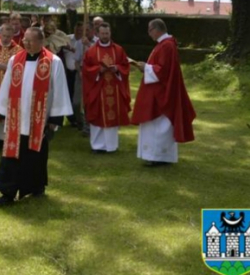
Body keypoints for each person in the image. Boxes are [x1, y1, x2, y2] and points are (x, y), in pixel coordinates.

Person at [0, 27, 73, 205]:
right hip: (17, 118)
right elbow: (7, 86)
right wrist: (3, 111)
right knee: (11, 155)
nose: (25, 43)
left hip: (39, 119)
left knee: (36, 156)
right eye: (24, 40)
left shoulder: (53, 61)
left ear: (41, 42)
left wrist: (54, 120)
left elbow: (59, 91)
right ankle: (7, 192)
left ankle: (36, 187)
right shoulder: (15, 60)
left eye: (30, 40)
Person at [131, 19, 196, 166]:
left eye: (149, 30)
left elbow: (163, 71)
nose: (149, 34)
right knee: (157, 126)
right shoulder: (164, 45)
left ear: (156, 29)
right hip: (160, 89)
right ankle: (159, 156)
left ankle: (157, 157)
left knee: (157, 124)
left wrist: (145, 67)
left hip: (161, 92)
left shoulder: (166, 46)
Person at [81, 23, 131, 153]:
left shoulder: (119, 50)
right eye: (102, 33)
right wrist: (98, 70)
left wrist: (117, 68)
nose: (105, 36)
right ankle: (97, 146)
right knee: (97, 116)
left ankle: (111, 146)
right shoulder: (91, 51)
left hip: (114, 88)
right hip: (98, 89)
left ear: (110, 33)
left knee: (112, 116)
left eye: (107, 33)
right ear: (97, 34)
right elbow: (86, 69)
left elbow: (125, 66)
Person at [63, 22, 84, 128]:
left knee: (77, 97)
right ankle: (71, 118)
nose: (79, 32)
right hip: (67, 72)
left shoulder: (84, 42)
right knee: (67, 95)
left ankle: (78, 118)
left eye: (81, 30)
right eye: (77, 30)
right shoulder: (67, 38)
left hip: (78, 72)